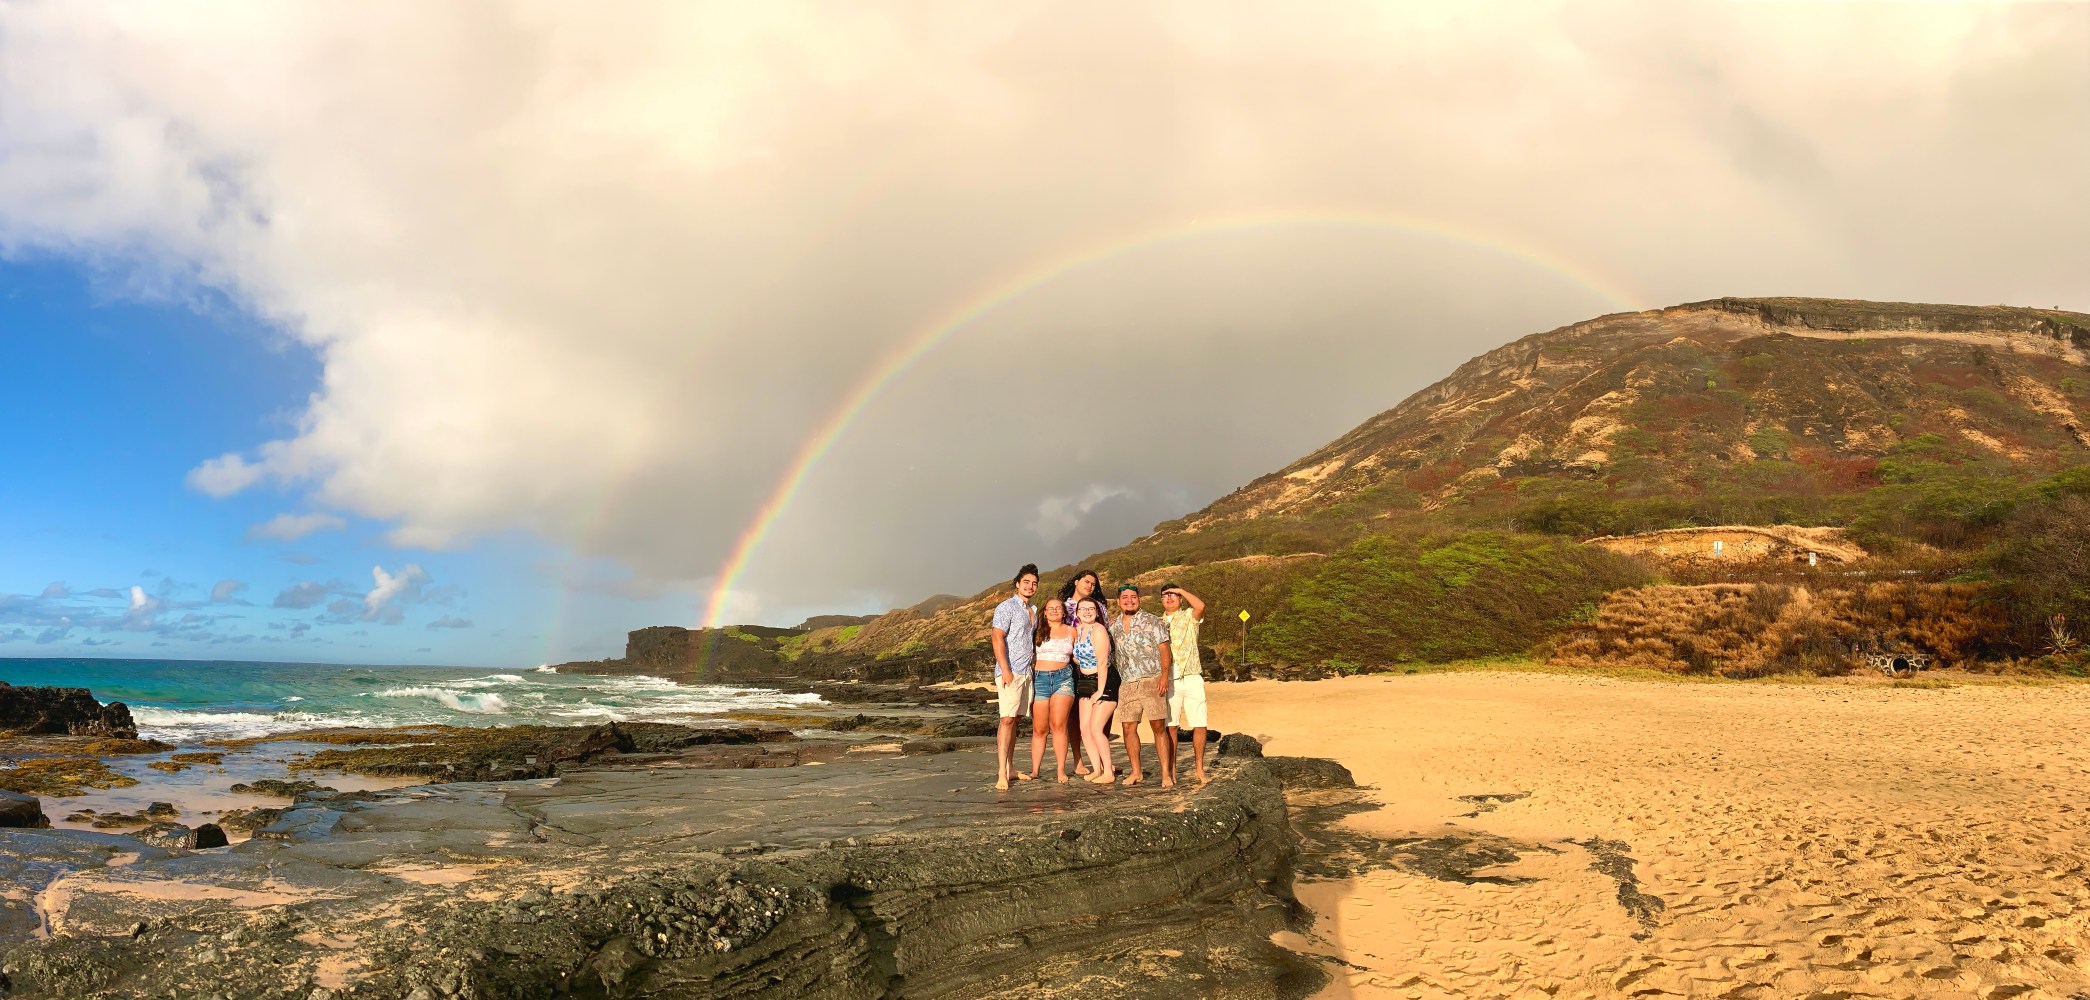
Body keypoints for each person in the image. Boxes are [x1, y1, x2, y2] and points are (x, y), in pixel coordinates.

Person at [1108, 583, 1174, 787]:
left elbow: (1164, 649)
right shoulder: (1113, 626)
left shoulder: (1152, 621)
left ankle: (1165, 774)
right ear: (1119, 601)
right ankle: (1136, 771)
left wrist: (1164, 676)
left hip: (1151, 679)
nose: (1129, 600)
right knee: (1128, 727)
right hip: (1127, 682)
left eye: (1133, 597)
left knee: (1158, 726)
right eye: (1125, 597)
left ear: (1139, 599)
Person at [989, 563, 1039, 790]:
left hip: (1027, 672)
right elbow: (997, 637)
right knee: (1006, 719)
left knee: (1016, 720)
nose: (1030, 586)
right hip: (1010, 672)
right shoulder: (1006, 607)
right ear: (1017, 584)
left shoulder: (1034, 611)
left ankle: (1010, 767)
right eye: (1026, 582)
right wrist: (1006, 669)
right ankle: (1001, 772)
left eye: (1034, 583)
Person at [1159, 583, 1211, 784]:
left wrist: (1181, 590)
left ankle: (1199, 768)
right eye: (1165, 595)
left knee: (1199, 723)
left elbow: (1201, 607)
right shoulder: (1157, 623)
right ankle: (1171, 770)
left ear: (1180, 598)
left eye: (1173, 595)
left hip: (1191, 675)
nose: (1170, 598)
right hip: (1169, 679)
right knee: (1170, 725)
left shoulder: (1189, 616)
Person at [1024, 597, 1077, 783]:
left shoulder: (1072, 631)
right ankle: (1035, 770)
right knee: (1039, 729)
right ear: (1044, 612)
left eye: (1058, 608)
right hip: (1040, 680)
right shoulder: (1037, 631)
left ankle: (1061, 770)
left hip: (1064, 679)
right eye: (1050, 608)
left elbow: (1080, 656)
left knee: (1058, 725)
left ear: (1064, 612)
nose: (1054, 611)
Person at [1056, 569, 1104, 773]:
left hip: (1097, 667)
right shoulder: (1063, 607)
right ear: (1076, 582)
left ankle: (1101, 760)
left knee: (1100, 714)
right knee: (1074, 717)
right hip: (1070, 668)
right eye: (1086, 581)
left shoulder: (1099, 607)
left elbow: (1104, 632)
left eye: (1093, 584)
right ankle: (1078, 760)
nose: (1090, 586)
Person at [1071, 595, 1118, 784]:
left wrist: (1100, 690)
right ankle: (1096, 769)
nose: (1088, 612)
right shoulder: (1078, 630)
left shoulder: (1098, 630)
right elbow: (1076, 656)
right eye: (1083, 609)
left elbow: (1102, 661)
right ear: (1077, 613)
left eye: (1091, 608)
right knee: (1084, 729)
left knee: (1096, 728)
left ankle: (1108, 771)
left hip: (1104, 681)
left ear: (1097, 612)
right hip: (1085, 682)